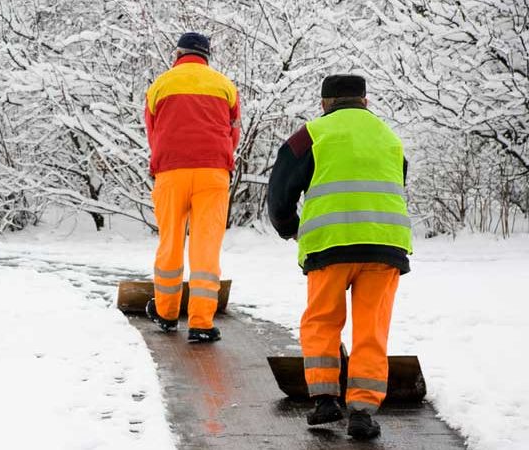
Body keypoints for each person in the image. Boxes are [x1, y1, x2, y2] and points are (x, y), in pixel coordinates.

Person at [267, 74, 412, 439]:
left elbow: (281, 188)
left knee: (322, 320)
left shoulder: (311, 134)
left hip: (329, 245)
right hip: (384, 245)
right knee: (371, 328)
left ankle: (325, 399)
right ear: (365, 101)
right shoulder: (389, 137)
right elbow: (398, 179)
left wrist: (288, 225)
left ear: (324, 104)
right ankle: (362, 411)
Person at [143, 32, 241, 342]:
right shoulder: (225, 85)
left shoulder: (161, 85)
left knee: (170, 241)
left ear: (178, 53)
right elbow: (233, 134)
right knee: (206, 246)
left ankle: (167, 313)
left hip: (171, 172)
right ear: (207, 56)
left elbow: (153, 131)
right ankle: (200, 322)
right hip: (213, 173)